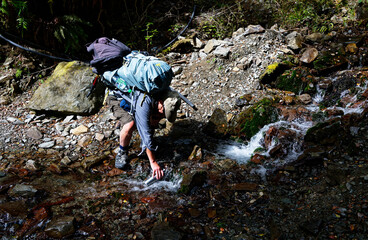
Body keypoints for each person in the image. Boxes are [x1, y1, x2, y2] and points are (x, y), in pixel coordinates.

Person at [107, 89, 181, 180]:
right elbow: (146, 134)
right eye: (164, 113)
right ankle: (122, 152)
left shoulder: (163, 94)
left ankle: (147, 147)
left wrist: (154, 119)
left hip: (135, 99)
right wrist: (153, 162)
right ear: (161, 103)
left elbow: (155, 117)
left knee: (150, 120)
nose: (163, 116)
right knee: (131, 124)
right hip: (117, 98)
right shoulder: (144, 104)